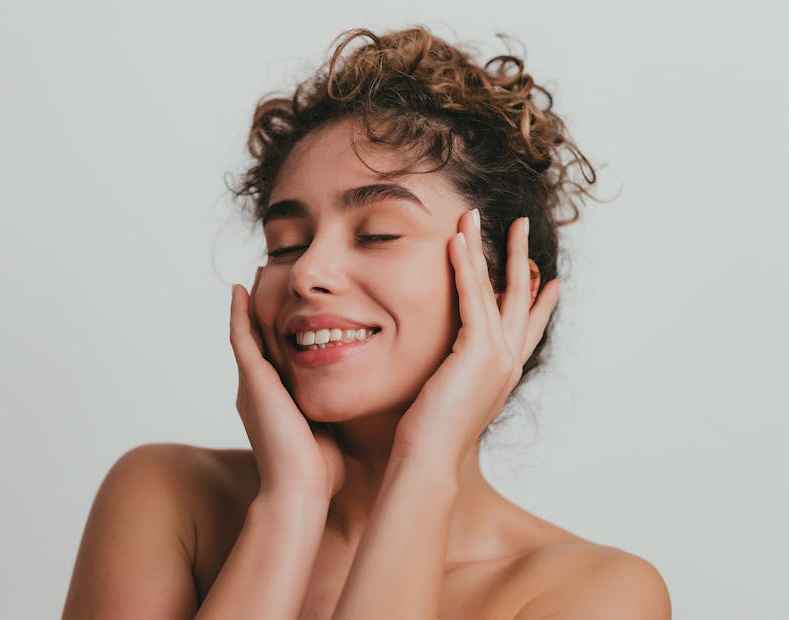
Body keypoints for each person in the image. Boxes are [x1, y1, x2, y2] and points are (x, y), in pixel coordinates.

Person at [63, 26, 671, 619]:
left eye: (377, 234)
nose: (307, 273)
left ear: (504, 290)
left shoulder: (595, 595)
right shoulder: (167, 499)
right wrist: (290, 506)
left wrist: (426, 464)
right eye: (285, 243)